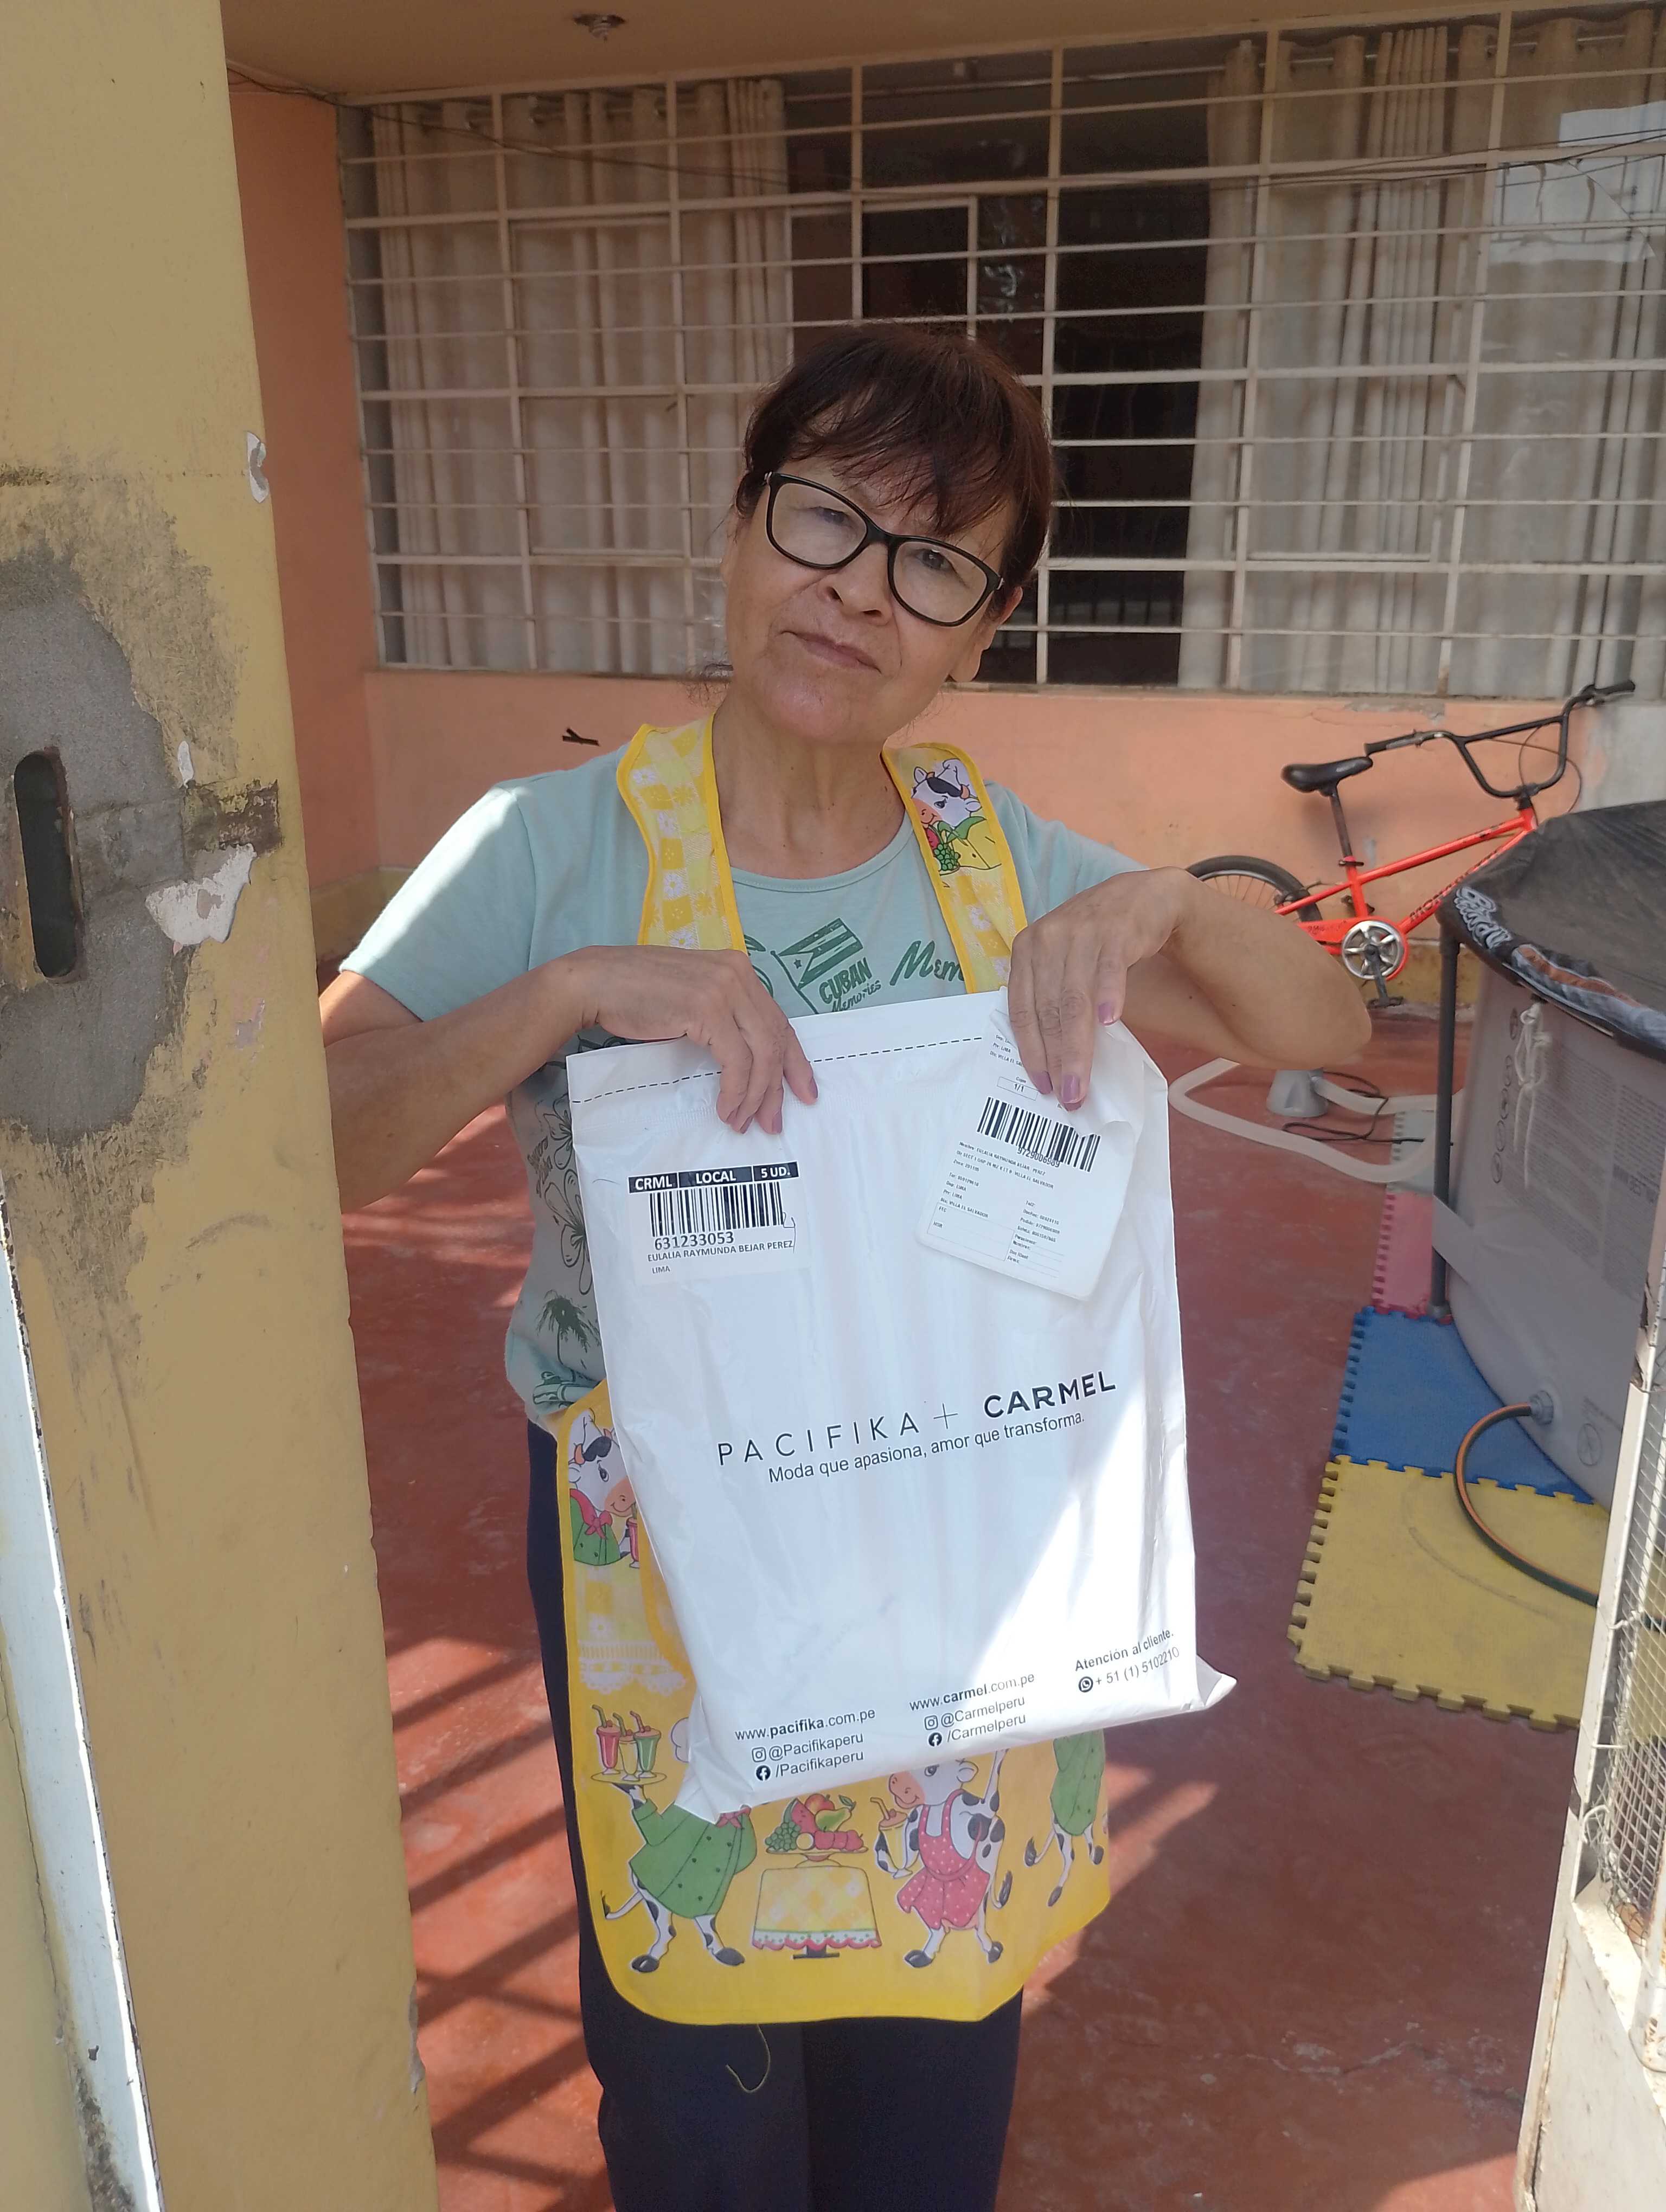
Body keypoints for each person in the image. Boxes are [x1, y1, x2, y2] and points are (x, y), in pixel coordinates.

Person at [322, 324, 1368, 2210]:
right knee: (701, 2070)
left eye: (935, 560)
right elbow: (309, 1135)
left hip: (960, 1528)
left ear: (985, 629)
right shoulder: (548, 851)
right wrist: (568, 994)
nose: (861, 590)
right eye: (824, 519)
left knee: (930, 2050)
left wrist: (1172, 904)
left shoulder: (999, 862)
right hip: (662, 1555)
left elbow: (1331, 1028)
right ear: (739, 527)